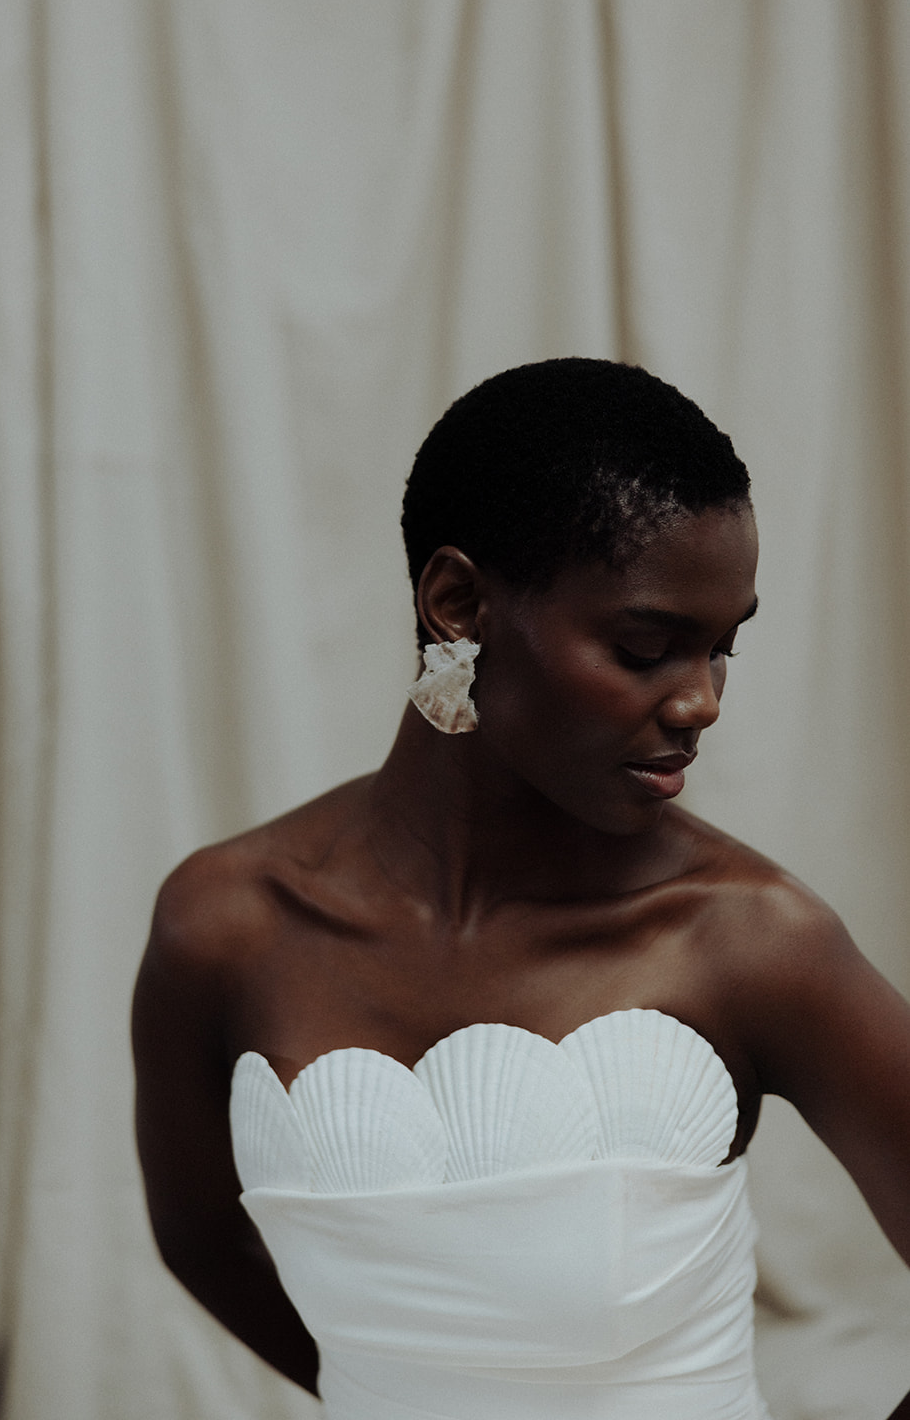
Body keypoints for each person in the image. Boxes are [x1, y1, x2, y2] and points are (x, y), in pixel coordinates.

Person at [132, 359, 910, 1420]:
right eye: (645, 647)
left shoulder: (747, 936)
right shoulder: (225, 920)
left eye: (721, 649)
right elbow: (197, 1239)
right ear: (456, 604)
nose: (699, 701)